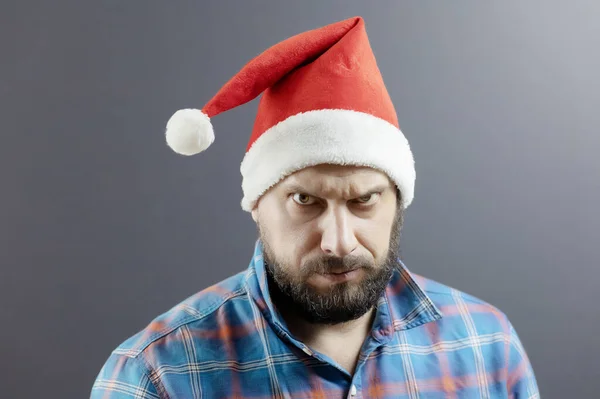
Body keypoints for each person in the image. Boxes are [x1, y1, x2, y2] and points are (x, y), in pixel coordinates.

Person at [91, 16, 539, 398]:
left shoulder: (487, 346)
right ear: (256, 204)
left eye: (364, 200)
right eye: (305, 200)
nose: (338, 241)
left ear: (398, 202)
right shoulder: (156, 376)